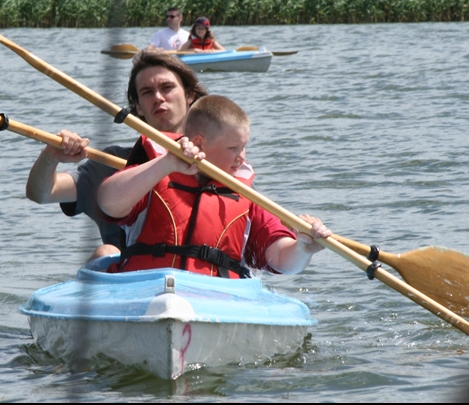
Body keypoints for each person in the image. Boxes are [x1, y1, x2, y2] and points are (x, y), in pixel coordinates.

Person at [97, 94, 330, 277]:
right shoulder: (155, 172)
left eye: (243, 147)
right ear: (199, 143)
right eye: (233, 148)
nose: (242, 157)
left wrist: (302, 248)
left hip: (215, 297)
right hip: (149, 287)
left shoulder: (245, 195)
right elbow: (108, 203)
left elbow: (280, 259)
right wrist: (166, 163)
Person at [25, 51, 208, 257]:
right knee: (105, 252)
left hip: (198, 272)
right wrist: (50, 157)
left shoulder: (217, 161)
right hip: (129, 272)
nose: (158, 97)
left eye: (167, 87)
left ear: (189, 95)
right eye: (147, 92)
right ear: (138, 107)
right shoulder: (111, 162)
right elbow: (41, 194)